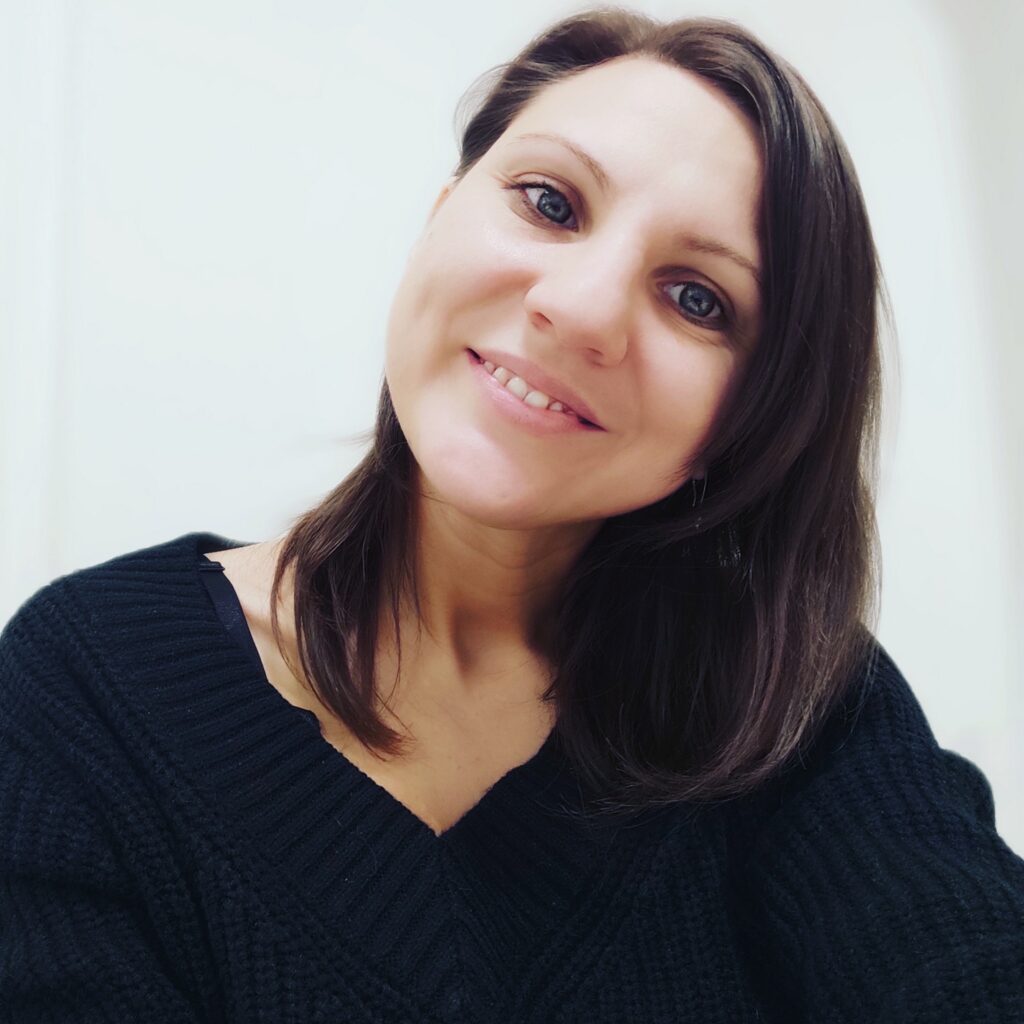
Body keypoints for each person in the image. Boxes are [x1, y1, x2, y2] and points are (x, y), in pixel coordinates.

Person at [2, 8, 1022, 1022]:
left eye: (697, 298)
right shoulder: (82, 689)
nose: (580, 309)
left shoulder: (796, 708)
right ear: (440, 213)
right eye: (549, 202)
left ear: (747, 419)